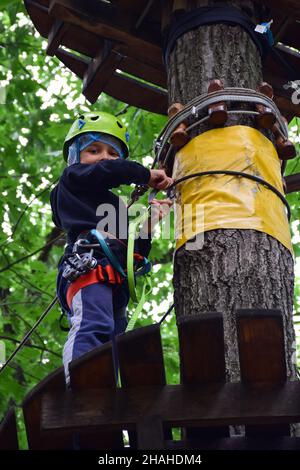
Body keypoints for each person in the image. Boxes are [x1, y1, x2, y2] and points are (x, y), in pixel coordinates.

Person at [50, 112, 173, 384]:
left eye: (112, 153)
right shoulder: (71, 181)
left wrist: (148, 226)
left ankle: (103, 391)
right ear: (74, 157)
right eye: (93, 150)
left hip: (114, 280)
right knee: (94, 326)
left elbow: (131, 252)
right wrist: (143, 174)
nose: (104, 157)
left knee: (114, 342)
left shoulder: (115, 207)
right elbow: (105, 172)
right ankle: (80, 388)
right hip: (86, 266)